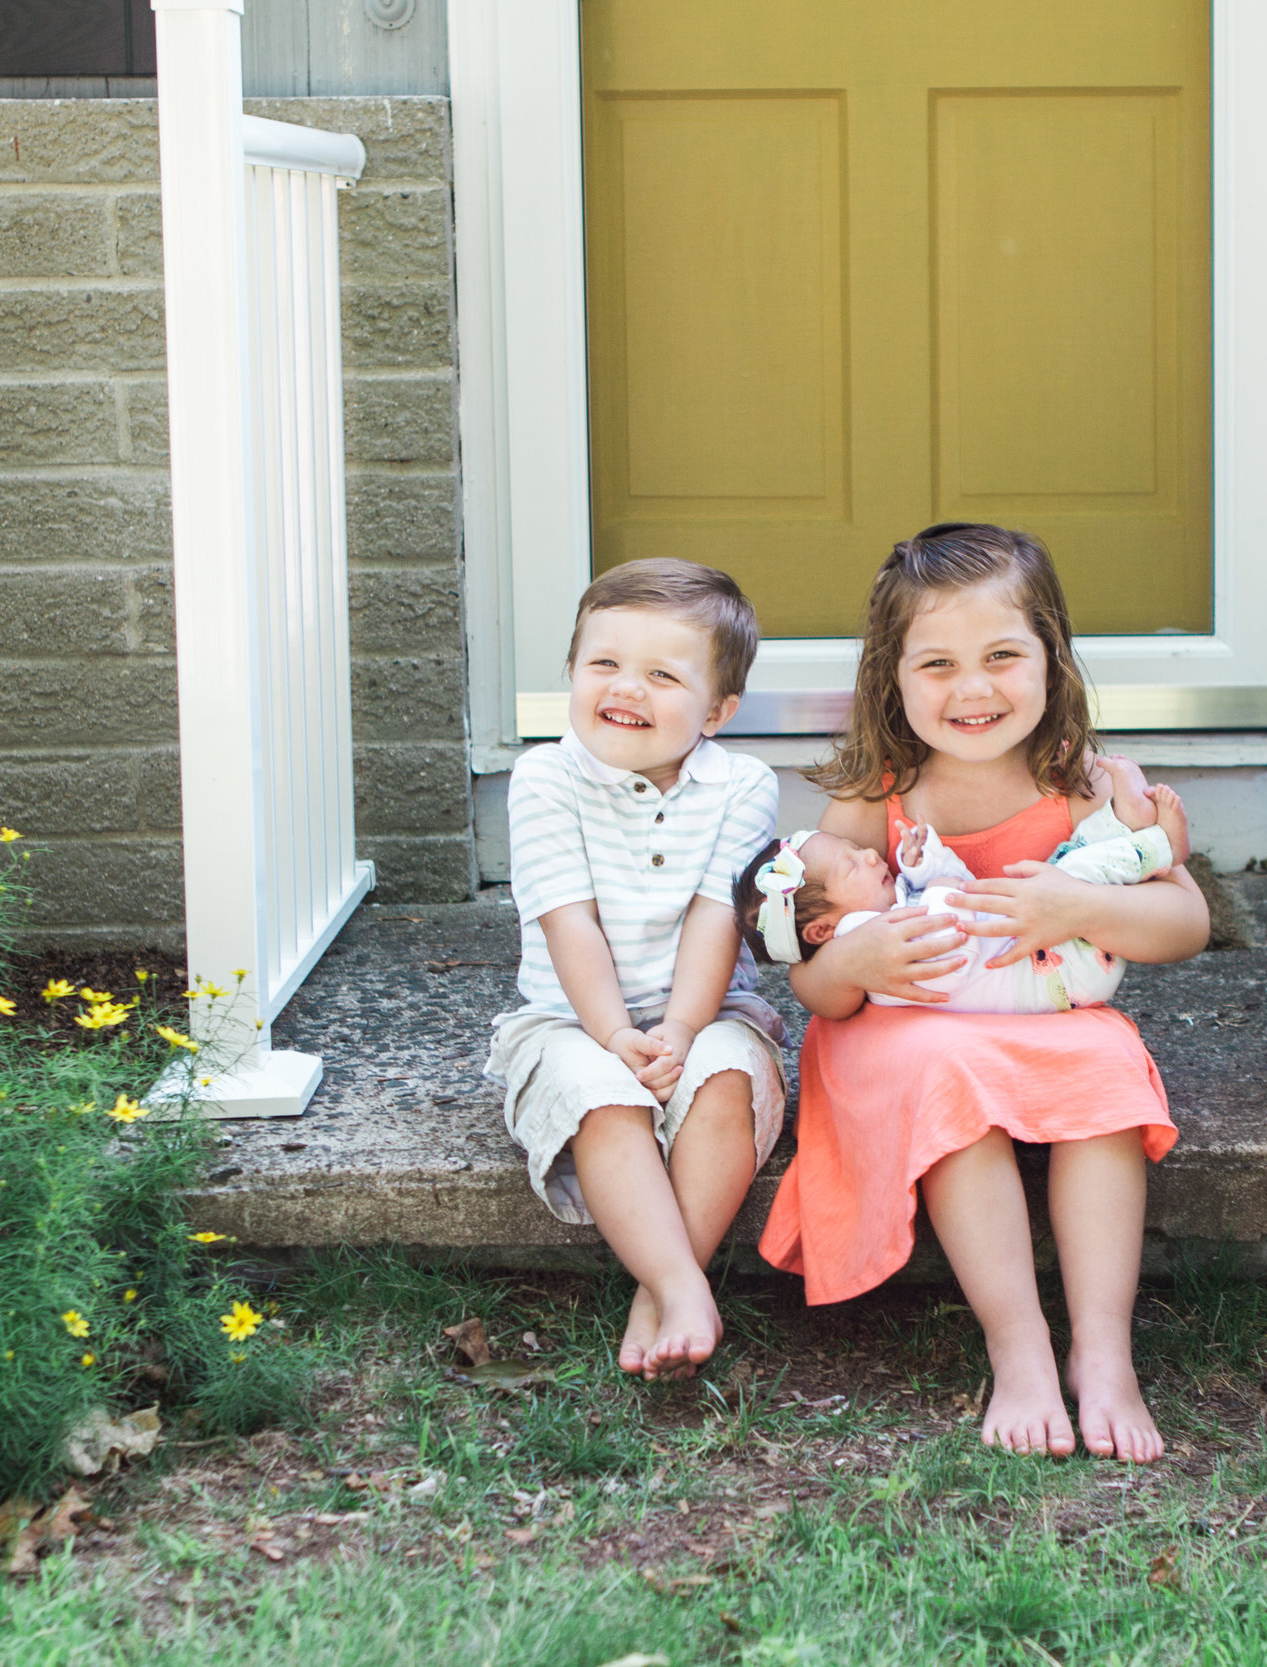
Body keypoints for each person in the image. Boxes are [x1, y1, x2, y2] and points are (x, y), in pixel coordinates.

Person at [757, 523, 1210, 1461]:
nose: (973, 688)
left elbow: (1186, 924)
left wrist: (1074, 901)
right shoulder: (879, 793)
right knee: (949, 1076)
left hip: (1042, 1018)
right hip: (906, 1034)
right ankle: (1020, 1346)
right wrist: (859, 960)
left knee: (1107, 1071)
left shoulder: (1082, 784)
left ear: (1052, 655)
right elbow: (814, 979)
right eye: (938, 664)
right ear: (892, 677)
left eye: (1003, 654)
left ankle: (1104, 1349)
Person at [484, 559, 783, 1381]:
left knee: (724, 1081)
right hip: (573, 1016)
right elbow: (568, 919)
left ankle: (658, 1295)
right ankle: (686, 1284)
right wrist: (616, 1033)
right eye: (604, 664)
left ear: (717, 711)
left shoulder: (743, 786)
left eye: (662, 673)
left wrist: (682, 1030)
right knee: (602, 1097)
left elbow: (714, 918)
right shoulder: (546, 778)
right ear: (573, 674)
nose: (627, 688)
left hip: (707, 1009)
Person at [731, 756, 1190, 1014]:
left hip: (1052, 949)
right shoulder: (874, 959)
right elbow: (950, 946)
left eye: (858, 848)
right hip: (1065, 972)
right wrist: (941, 889)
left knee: (1069, 864)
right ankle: (1158, 845)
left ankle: (1125, 822)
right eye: (852, 865)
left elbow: (951, 890)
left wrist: (922, 863)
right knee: (1080, 873)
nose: (870, 854)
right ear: (820, 931)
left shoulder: (886, 916)